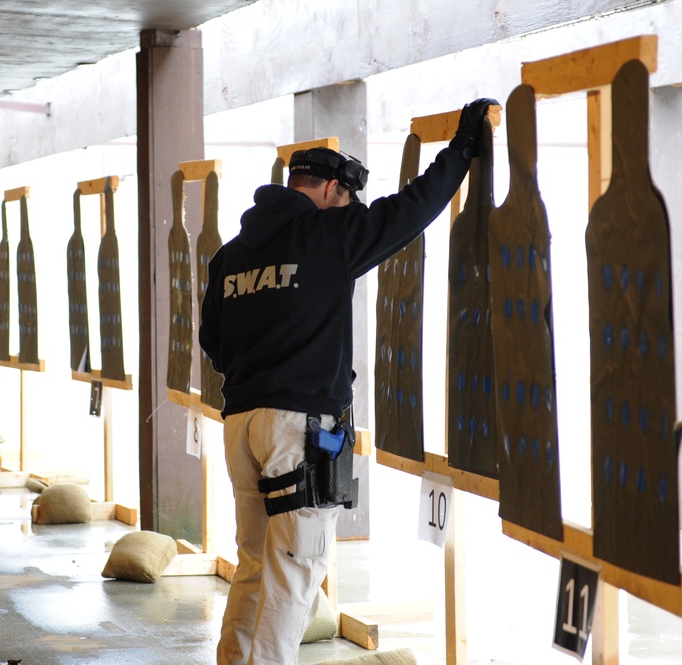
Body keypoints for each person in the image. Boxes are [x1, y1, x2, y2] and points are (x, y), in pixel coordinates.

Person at [199, 98, 498, 665]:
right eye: (348, 197)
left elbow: (212, 341)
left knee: (257, 562)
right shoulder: (329, 236)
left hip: (239, 423)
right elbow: (410, 211)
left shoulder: (231, 256)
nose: (351, 207)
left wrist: (261, 370)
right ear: (332, 189)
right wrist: (462, 150)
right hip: (298, 429)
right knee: (296, 571)